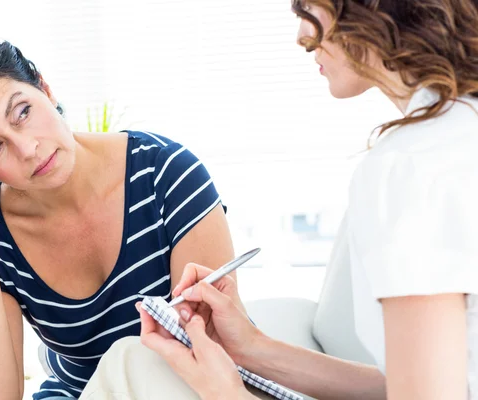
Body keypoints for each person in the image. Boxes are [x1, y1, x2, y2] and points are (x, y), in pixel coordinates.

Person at [79, 0, 478, 399]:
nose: (303, 35)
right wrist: (253, 348)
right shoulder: (454, 133)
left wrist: (227, 393)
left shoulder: (410, 165)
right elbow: (427, 382)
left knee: (130, 366)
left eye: (308, 6)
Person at [0, 41, 235, 400]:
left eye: (22, 111)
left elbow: (213, 351)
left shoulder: (165, 173)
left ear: (45, 89)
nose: (28, 148)